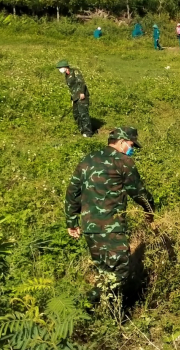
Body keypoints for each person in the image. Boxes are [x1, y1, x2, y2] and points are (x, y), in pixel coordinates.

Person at [65, 125, 154, 300]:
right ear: (121, 142)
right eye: (131, 145)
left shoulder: (87, 160)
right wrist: (150, 211)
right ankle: (87, 304)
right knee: (119, 271)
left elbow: (72, 192)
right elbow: (138, 191)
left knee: (105, 270)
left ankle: (108, 313)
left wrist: (71, 221)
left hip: (90, 228)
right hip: (111, 228)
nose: (132, 149)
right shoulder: (122, 162)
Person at [56, 60, 94, 137]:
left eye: (60, 68)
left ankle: (88, 132)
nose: (59, 70)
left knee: (83, 114)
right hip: (75, 97)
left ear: (65, 67)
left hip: (82, 95)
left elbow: (81, 82)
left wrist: (82, 92)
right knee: (76, 114)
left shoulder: (75, 71)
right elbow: (72, 88)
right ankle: (81, 130)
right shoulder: (66, 75)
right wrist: (72, 99)